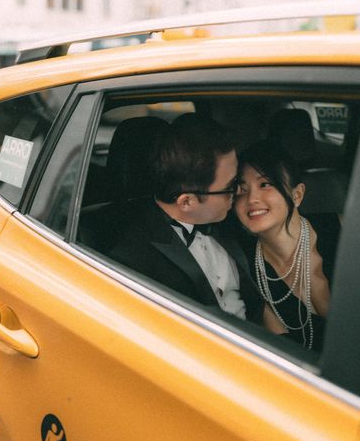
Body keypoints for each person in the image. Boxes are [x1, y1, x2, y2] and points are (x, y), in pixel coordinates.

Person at [108, 114, 263, 323]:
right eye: (229, 187)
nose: (239, 191)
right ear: (187, 202)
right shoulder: (131, 261)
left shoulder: (232, 218)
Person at [234, 139, 340, 351]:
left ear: (297, 194)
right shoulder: (250, 273)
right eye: (241, 190)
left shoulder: (345, 233)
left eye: (265, 184)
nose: (252, 198)